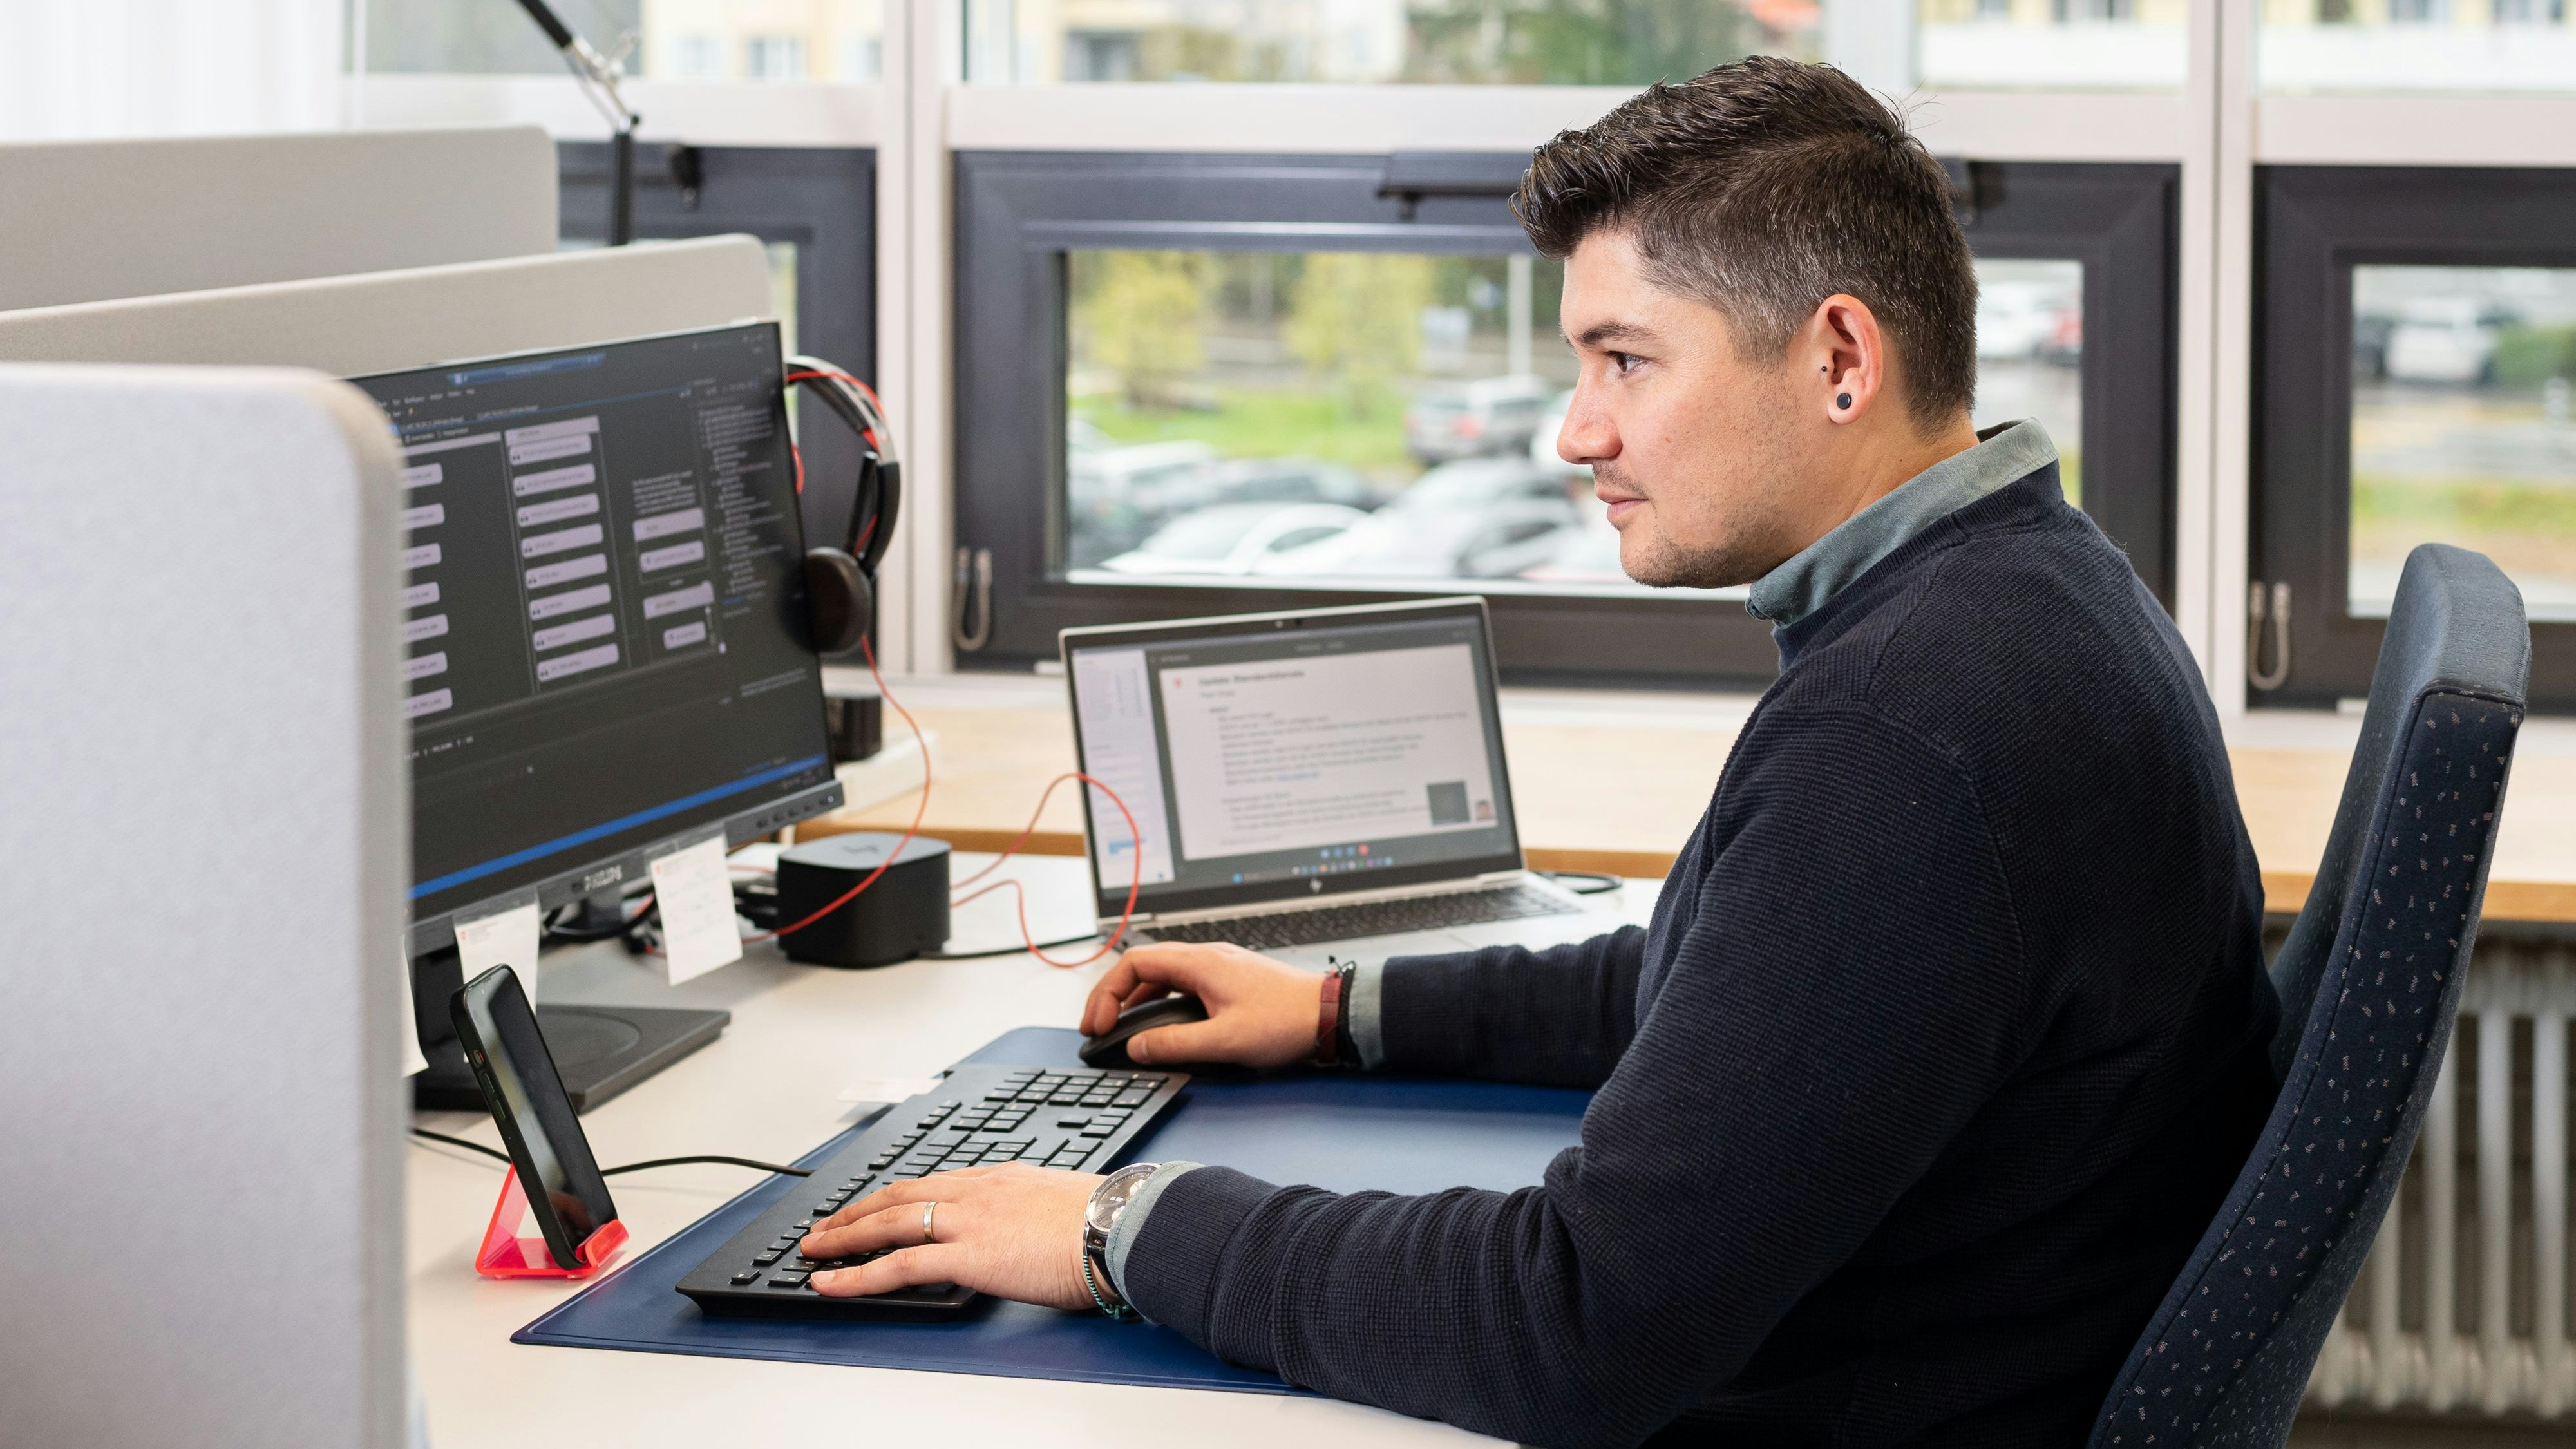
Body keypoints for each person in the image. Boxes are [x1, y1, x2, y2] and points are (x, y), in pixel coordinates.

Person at [796, 56, 2280, 1448]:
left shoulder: (1906, 732)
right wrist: (1338, 1009)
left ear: (1838, 357)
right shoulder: (2030, 585)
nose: (1572, 435)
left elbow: (1571, 1322)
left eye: (1624, 360)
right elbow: (1729, 987)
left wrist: (1120, 1227)